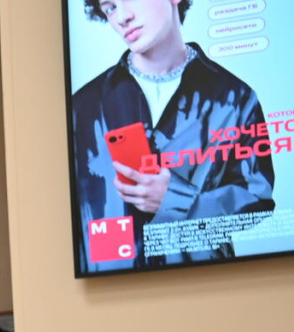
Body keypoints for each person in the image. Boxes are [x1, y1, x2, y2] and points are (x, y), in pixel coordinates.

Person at [70, 0, 274, 273]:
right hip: (111, 289)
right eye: (110, 8)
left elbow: (257, 201)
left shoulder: (235, 97)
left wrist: (174, 199)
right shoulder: (83, 106)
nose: (122, 17)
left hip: (207, 285)